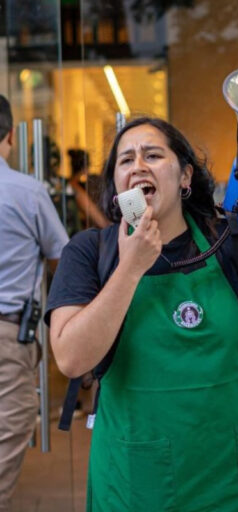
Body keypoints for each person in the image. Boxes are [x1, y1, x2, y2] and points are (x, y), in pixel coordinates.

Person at [45, 117, 238, 511]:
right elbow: (72, 358)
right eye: (125, 160)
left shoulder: (228, 243)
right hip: (137, 480)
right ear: (117, 184)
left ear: (185, 176)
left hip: (235, 474)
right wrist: (131, 267)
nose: (138, 165)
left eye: (153, 155)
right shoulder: (91, 252)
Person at [0, 94, 69, 510]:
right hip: (8, 337)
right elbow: (62, 258)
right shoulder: (26, 191)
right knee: (5, 442)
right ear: (10, 136)